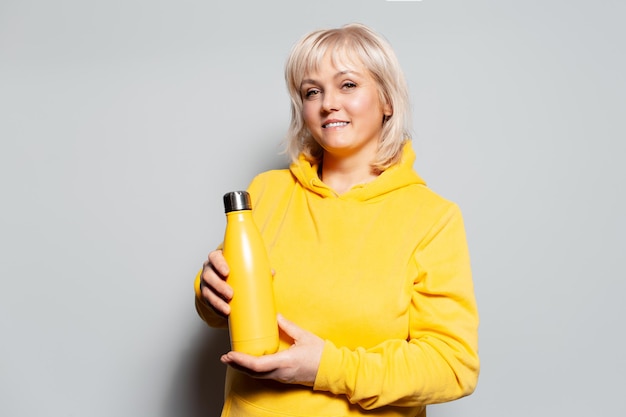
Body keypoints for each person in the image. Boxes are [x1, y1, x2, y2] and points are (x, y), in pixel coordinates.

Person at [194, 23, 479, 417]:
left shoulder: (431, 218)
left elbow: (453, 366)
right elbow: (230, 303)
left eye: (348, 85)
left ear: (387, 101)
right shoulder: (265, 191)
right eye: (312, 91)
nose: (328, 103)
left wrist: (326, 369)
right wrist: (207, 292)